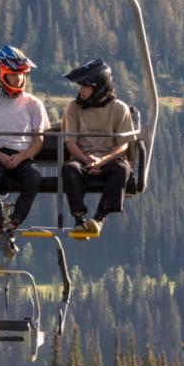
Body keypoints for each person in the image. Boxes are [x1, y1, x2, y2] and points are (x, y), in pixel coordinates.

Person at [0, 45, 49, 258]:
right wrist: (0, 156)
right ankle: (0, 225)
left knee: (34, 177)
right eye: (14, 75)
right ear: (3, 74)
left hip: (23, 155)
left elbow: (38, 140)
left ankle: (13, 224)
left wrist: (22, 156)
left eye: (21, 75)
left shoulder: (34, 104)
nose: (19, 80)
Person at [59, 59, 133, 237]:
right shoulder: (74, 108)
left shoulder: (119, 108)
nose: (81, 91)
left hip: (109, 160)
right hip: (82, 159)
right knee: (69, 169)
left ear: (99, 87)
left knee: (122, 169)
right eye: (80, 86)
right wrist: (86, 160)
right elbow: (70, 142)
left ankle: (100, 217)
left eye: (86, 86)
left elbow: (123, 144)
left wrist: (102, 161)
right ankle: (79, 218)